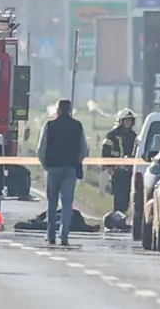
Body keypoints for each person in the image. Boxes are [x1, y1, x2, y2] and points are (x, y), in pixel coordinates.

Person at [37, 99, 89, 248]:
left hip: (53, 168)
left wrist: (45, 165)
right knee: (67, 204)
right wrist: (77, 162)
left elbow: (41, 148)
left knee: (52, 204)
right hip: (70, 169)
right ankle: (64, 235)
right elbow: (83, 149)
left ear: (57, 110)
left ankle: (50, 235)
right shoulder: (77, 126)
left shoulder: (49, 126)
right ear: (70, 110)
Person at [101, 108, 137, 217]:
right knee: (118, 195)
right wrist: (109, 166)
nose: (128, 123)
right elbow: (105, 150)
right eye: (126, 120)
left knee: (127, 196)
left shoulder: (133, 135)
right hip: (117, 170)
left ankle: (122, 217)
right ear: (121, 121)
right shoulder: (112, 135)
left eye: (130, 121)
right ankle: (117, 217)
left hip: (129, 170)